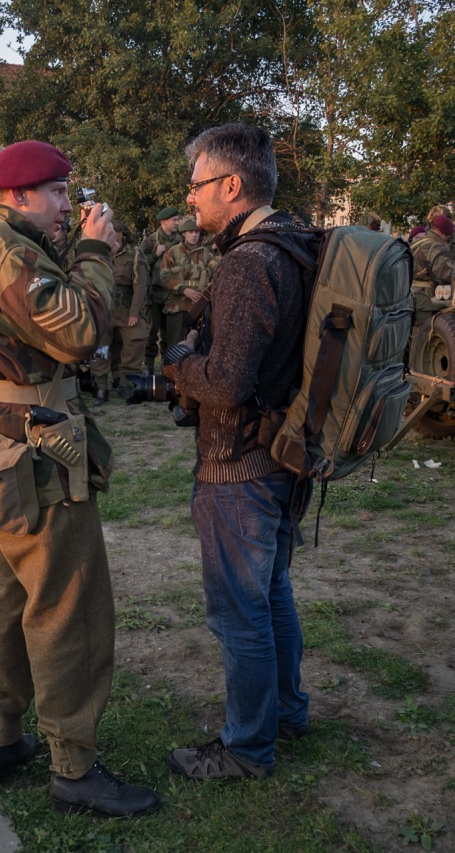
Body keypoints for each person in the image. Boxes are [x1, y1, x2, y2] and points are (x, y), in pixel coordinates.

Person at [0, 139, 159, 818]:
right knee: (69, 608)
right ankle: (74, 766)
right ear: (18, 195)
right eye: (58, 192)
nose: (70, 205)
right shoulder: (7, 247)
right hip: (34, 455)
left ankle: (4, 737)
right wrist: (98, 254)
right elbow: (76, 333)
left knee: (4, 600)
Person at [162, 123, 314, 781]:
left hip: (240, 467)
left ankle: (248, 746)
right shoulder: (298, 245)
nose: (189, 198)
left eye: (197, 184)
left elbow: (225, 383)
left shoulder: (250, 261)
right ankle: (285, 711)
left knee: (240, 611)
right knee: (271, 591)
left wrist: (178, 364)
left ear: (232, 185)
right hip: (280, 454)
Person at [90, 220, 149, 403]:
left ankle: (125, 383)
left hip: (126, 307)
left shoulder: (135, 253)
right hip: (103, 306)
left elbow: (140, 286)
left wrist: (134, 313)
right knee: (101, 346)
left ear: (120, 235)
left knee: (135, 338)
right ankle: (101, 386)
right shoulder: (97, 252)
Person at [160, 215, 219, 349]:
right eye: (190, 232)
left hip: (200, 308)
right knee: (175, 347)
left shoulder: (207, 254)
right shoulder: (173, 252)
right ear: (183, 234)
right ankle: (170, 370)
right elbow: (165, 276)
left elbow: (216, 277)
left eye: (196, 232)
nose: (194, 235)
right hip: (177, 308)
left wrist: (204, 294)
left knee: (200, 346)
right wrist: (184, 290)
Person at [140, 207, 182, 373]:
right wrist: (155, 255)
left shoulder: (180, 241)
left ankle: (167, 369)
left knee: (169, 336)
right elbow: (139, 264)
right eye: (175, 220)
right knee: (151, 333)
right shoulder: (151, 240)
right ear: (164, 222)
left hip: (173, 295)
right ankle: (149, 368)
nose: (178, 223)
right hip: (154, 295)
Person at [410, 213, 454, 298]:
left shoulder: (415, 244)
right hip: (428, 299)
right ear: (444, 234)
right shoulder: (437, 247)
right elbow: (448, 275)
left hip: (409, 295)